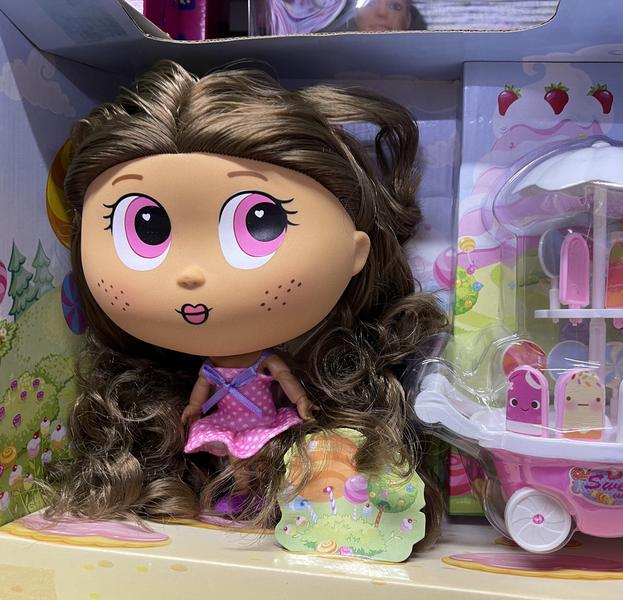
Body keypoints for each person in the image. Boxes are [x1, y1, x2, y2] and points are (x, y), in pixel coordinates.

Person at [48, 61, 445, 542]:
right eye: (145, 228)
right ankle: (235, 493)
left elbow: (285, 380)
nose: (191, 274)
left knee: (264, 459)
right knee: (233, 461)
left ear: (356, 251)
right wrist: (192, 411)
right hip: (222, 425)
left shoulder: (276, 365)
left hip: (268, 422)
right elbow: (200, 390)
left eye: (259, 220)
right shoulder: (166, 389)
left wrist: (302, 402)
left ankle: (261, 495)